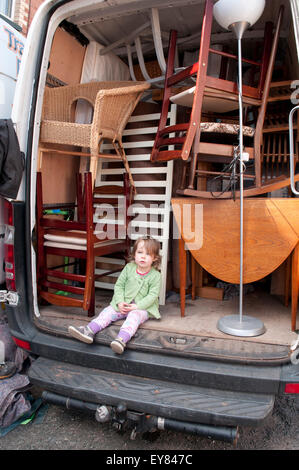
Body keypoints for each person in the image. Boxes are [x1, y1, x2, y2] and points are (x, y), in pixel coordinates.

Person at [68, 236, 161, 354]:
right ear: (134, 254)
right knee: (108, 312)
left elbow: (152, 296)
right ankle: (89, 330)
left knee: (134, 317)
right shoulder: (129, 268)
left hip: (143, 308)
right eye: (140, 252)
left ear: (155, 258)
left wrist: (137, 306)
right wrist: (119, 302)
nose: (143, 256)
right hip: (124, 303)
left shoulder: (155, 275)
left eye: (148, 254)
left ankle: (121, 339)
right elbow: (119, 286)